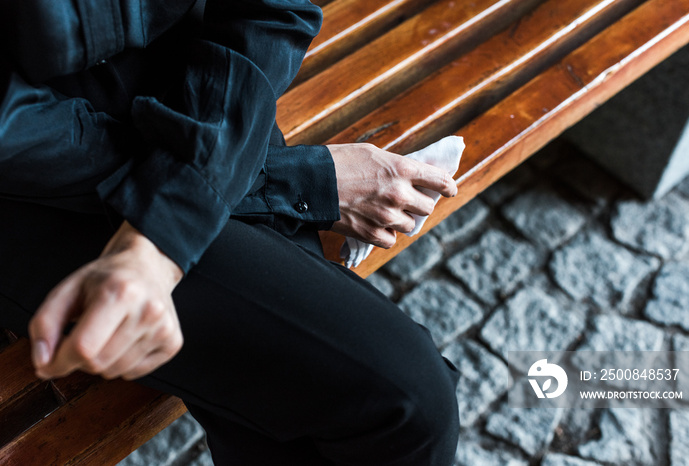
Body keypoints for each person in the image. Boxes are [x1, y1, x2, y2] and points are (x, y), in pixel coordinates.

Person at [0, 0, 461, 464]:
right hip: (35, 191)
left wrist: (246, 164)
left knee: (315, 420)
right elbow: (17, 134)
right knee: (409, 403)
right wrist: (290, 180)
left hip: (206, 95)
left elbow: (271, 9)